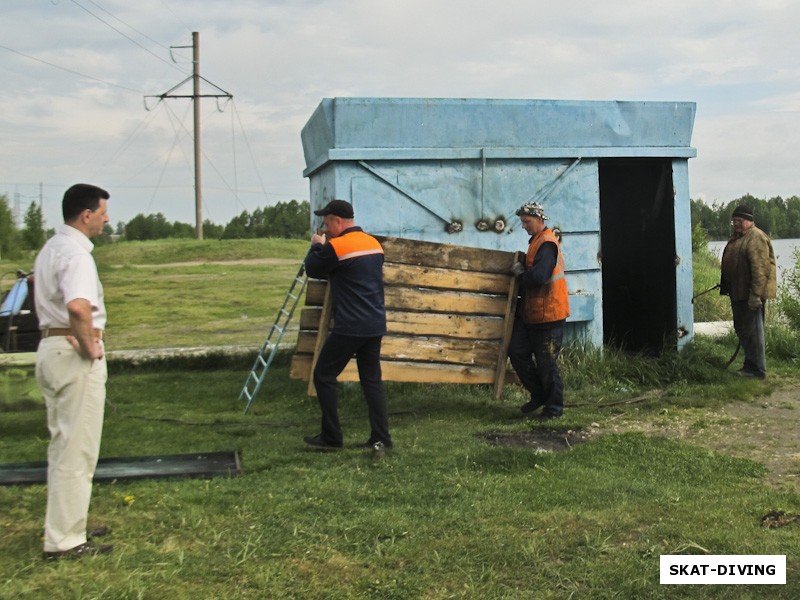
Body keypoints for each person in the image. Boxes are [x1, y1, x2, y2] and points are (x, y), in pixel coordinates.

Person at [34, 183, 112, 559]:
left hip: (50, 348)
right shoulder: (78, 254)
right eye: (102, 212)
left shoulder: (51, 248)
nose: (106, 219)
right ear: (86, 216)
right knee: (76, 451)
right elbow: (79, 307)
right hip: (72, 353)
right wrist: (87, 345)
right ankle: (65, 540)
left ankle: (68, 522)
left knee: (62, 445)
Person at [303, 199, 393, 451]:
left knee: (323, 375)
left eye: (327, 222)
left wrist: (317, 247)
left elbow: (313, 269)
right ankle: (381, 438)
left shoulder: (338, 246)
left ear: (338, 221)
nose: (325, 227)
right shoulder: (374, 244)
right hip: (375, 322)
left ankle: (332, 437)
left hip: (350, 325)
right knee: (372, 381)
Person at [507, 201, 570, 420]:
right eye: (523, 222)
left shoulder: (547, 243)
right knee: (516, 351)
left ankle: (554, 408)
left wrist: (520, 275)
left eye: (527, 222)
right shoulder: (536, 241)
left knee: (547, 364)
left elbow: (540, 276)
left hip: (549, 315)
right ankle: (539, 395)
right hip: (533, 314)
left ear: (540, 220)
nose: (523, 225)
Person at [720, 205, 777, 379]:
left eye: (739, 221)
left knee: (754, 331)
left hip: (751, 295)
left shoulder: (756, 237)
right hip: (739, 292)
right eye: (734, 221)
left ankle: (758, 370)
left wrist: (756, 295)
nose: (735, 224)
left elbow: (761, 269)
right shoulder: (740, 237)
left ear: (749, 221)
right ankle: (749, 365)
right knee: (743, 329)